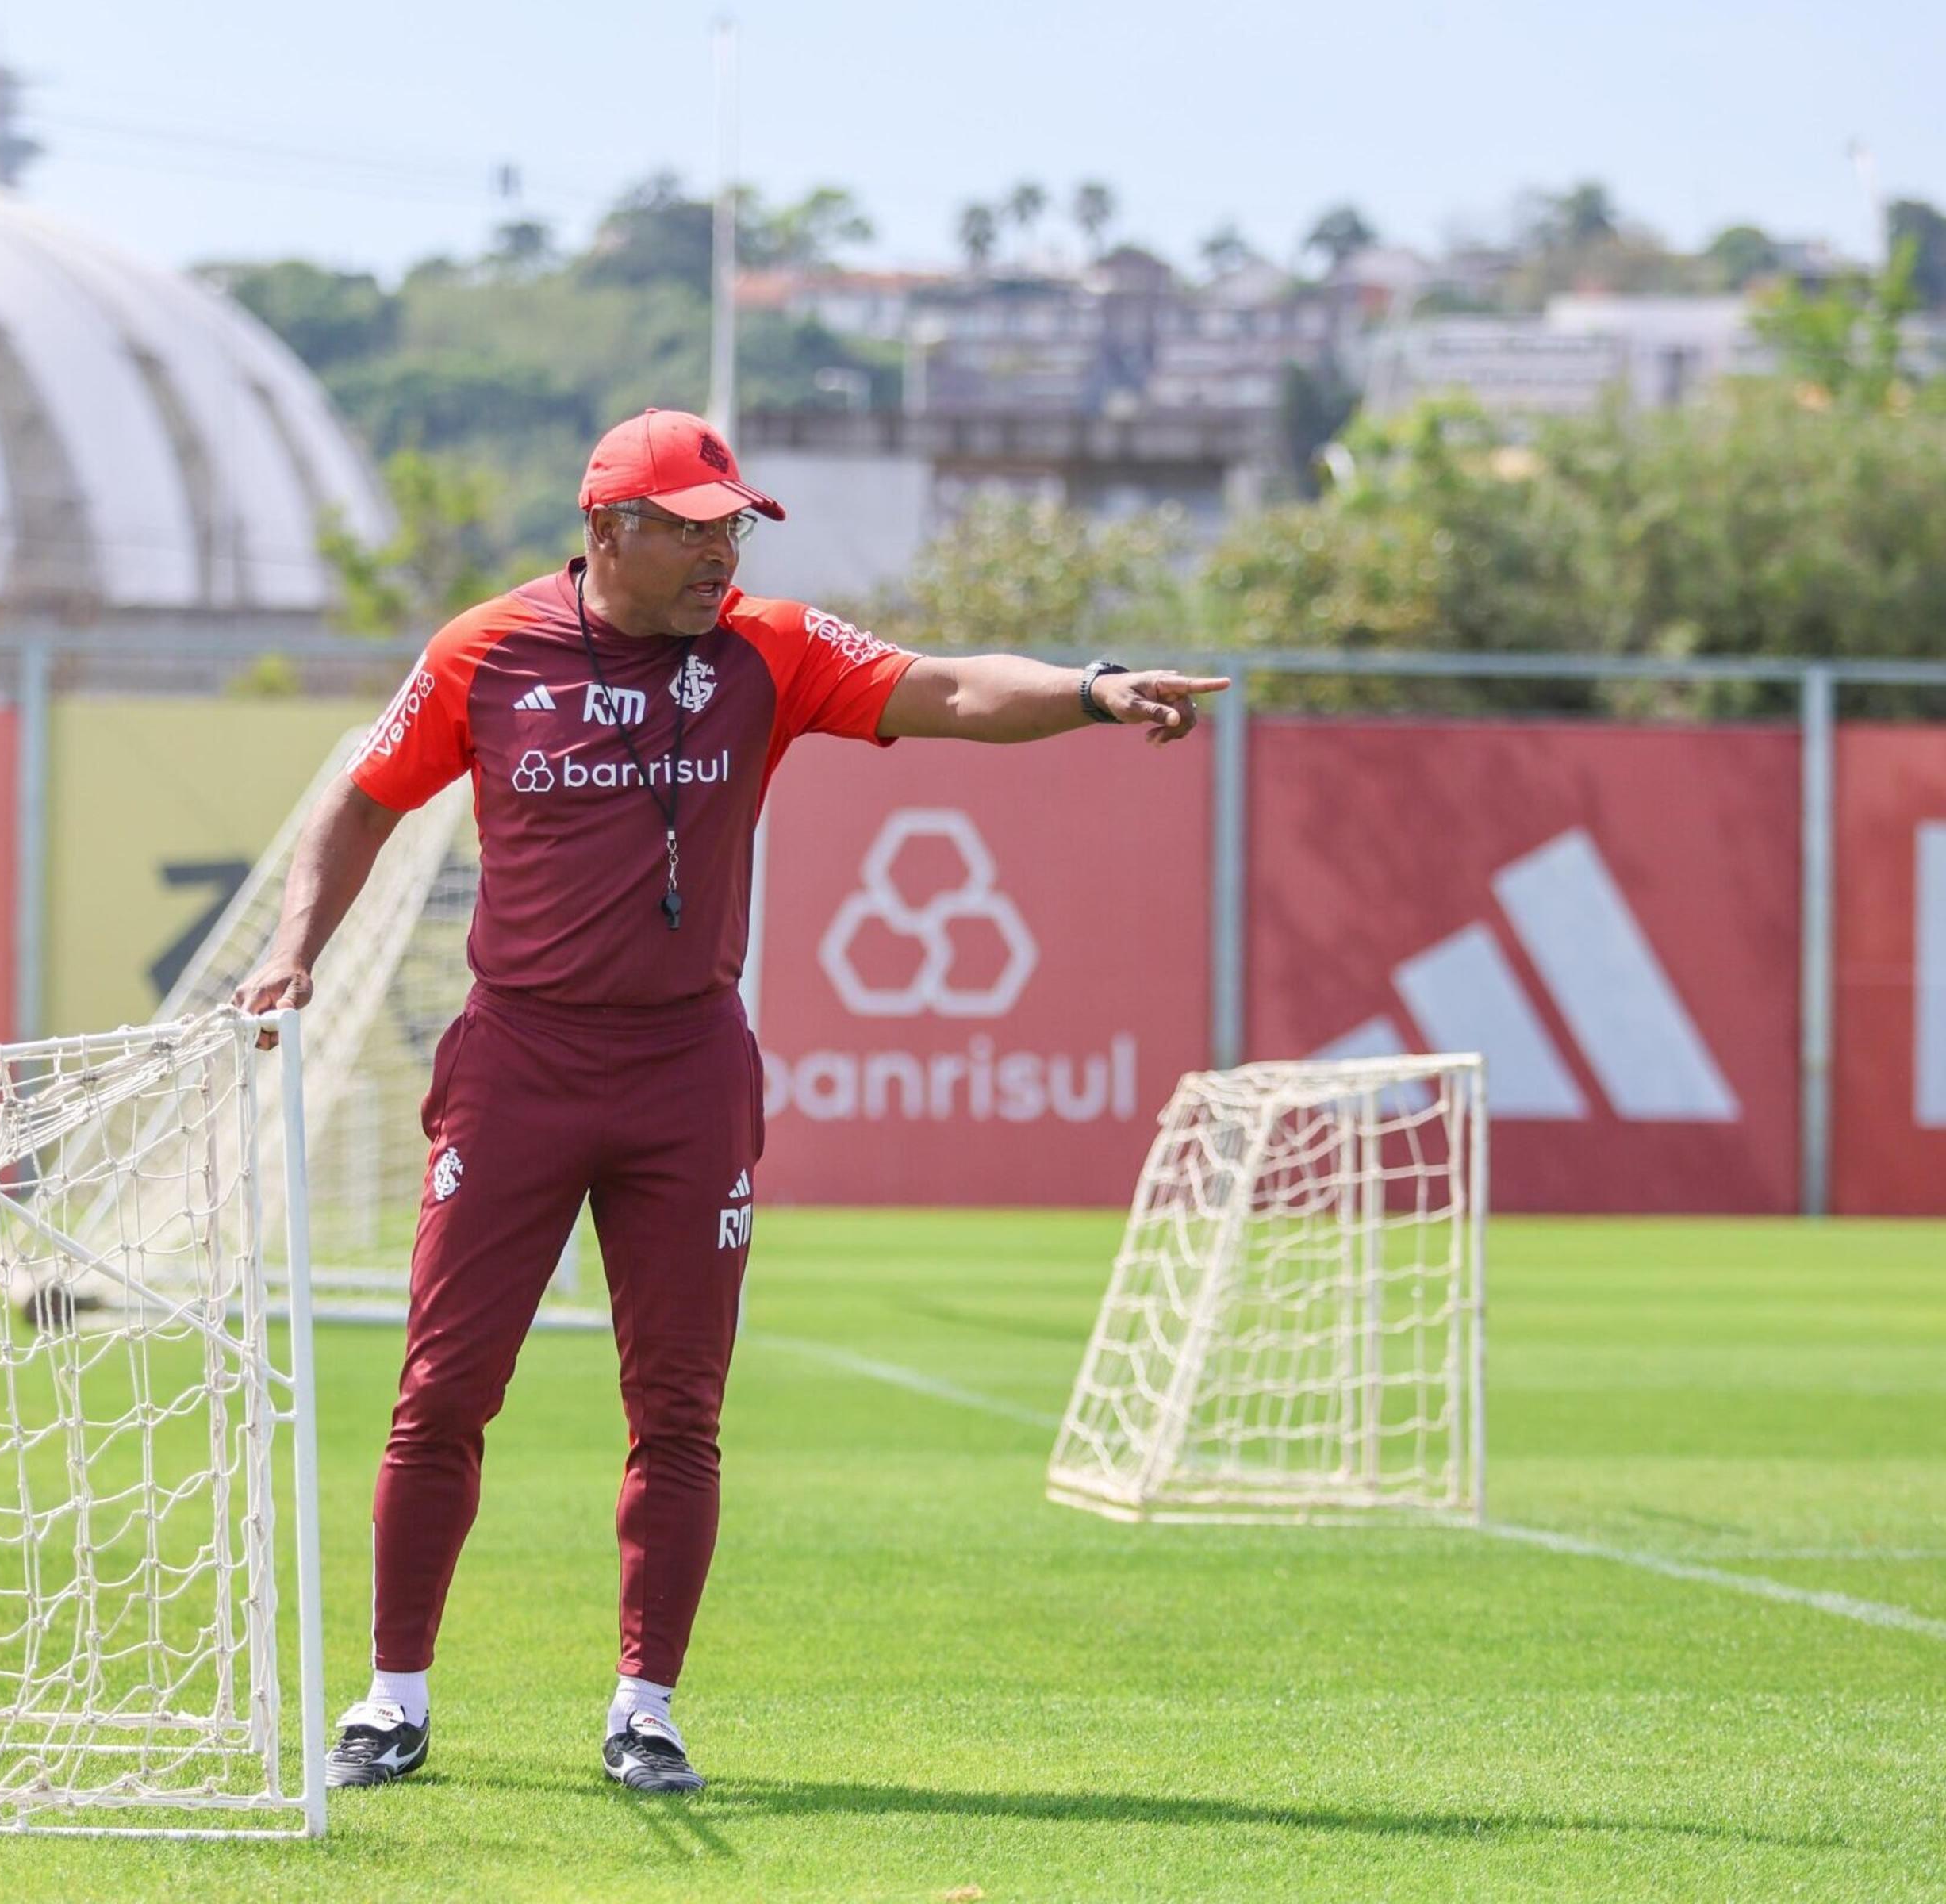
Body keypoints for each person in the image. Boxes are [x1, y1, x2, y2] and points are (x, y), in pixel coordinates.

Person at [234, 408, 1226, 1796]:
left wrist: (1092, 688)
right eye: (694, 531)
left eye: (733, 529)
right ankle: (393, 1700)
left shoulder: (772, 648)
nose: (721, 555)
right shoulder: (485, 651)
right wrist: (293, 951)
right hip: (517, 1063)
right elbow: (361, 804)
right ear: (607, 533)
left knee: (680, 1408)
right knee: (442, 1394)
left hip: (688, 1070)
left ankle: (645, 1706)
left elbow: (944, 690)